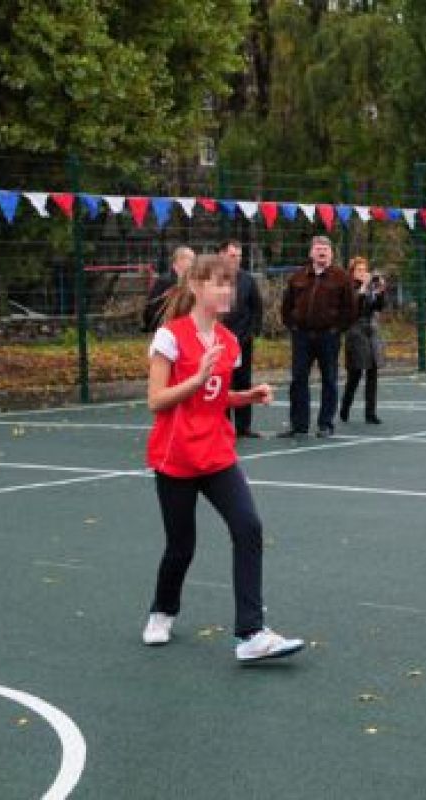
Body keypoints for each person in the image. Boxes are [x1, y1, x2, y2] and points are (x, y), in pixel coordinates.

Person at [143, 253, 305, 663]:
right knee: (181, 546)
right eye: (219, 283)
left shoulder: (229, 342)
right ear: (197, 287)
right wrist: (195, 377)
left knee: (248, 528)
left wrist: (244, 396)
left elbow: (212, 399)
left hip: (216, 453)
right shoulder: (169, 337)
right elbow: (156, 401)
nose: (228, 290)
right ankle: (162, 611)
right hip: (175, 456)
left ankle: (251, 633)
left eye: (230, 283)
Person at [280, 235, 357, 439]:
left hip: (328, 336)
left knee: (329, 380)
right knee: (298, 380)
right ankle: (299, 425)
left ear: (331, 253)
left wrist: (336, 329)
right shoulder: (298, 276)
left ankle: (325, 424)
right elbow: (286, 305)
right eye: (317, 248)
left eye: (325, 249)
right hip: (302, 336)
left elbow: (351, 308)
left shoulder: (341, 277)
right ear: (311, 252)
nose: (321, 252)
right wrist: (293, 326)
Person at [219, 239, 265, 438]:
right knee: (221, 382)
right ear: (221, 255)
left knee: (243, 382)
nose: (236, 260)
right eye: (232, 256)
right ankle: (223, 425)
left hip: (242, 340)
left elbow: (257, 308)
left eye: (239, 256)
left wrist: (251, 331)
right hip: (218, 341)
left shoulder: (247, 280)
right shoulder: (213, 278)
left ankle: (244, 426)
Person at [340, 256, 386, 425]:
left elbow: (379, 307)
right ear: (351, 272)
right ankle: (345, 407)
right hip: (355, 331)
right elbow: (353, 307)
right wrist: (364, 288)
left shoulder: (370, 288)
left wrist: (380, 291)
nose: (363, 273)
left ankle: (370, 413)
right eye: (358, 270)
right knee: (355, 374)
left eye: (364, 269)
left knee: (373, 372)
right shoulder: (347, 288)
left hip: (371, 330)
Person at [141, 246, 194, 333]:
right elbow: (152, 308)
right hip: (165, 324)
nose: (193, 263)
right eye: (191, 259)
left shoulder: (186, 280)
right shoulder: (165, 281)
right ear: (180, 260)